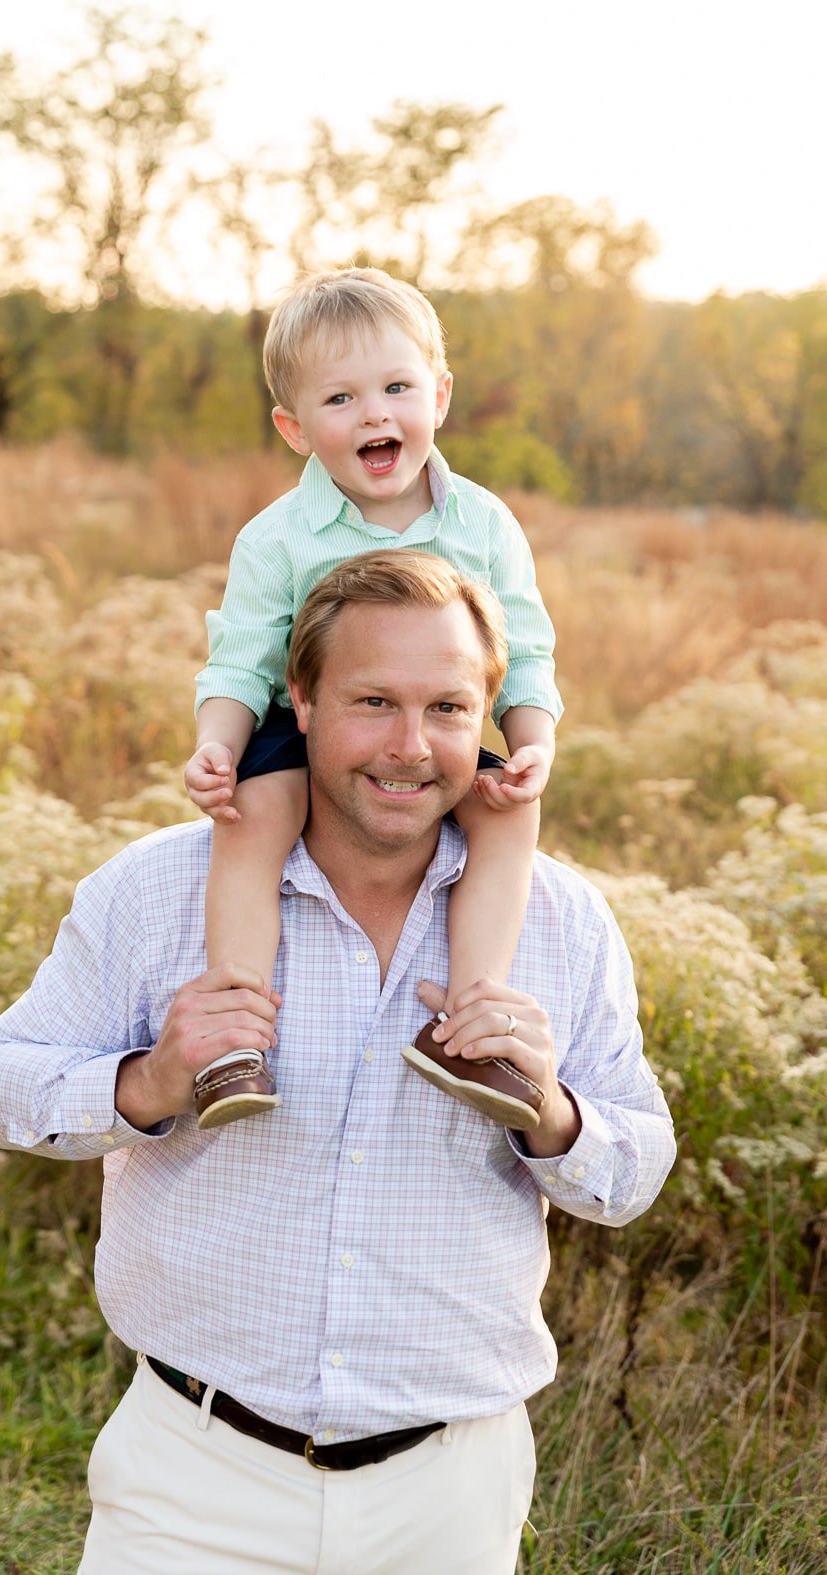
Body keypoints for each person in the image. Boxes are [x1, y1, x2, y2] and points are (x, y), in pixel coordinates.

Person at [0, 549, 675, 1575]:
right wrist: (150, 1083)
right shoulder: (160, 889)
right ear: (298, 701)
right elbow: (6, 1087)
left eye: (447, 706)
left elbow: (636, 1171)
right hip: (193, 1480)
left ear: (488, 712)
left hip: (449, 1500)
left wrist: (556, 1111)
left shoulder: (563, 923)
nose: (410, 745)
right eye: (373, 701)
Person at [183, 266, 563, 1129]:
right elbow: (240, 660)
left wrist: (531, 742)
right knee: (253, 816)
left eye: (397, 387)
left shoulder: (484, 524)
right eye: (342, 398)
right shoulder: (277, 537)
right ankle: (234, 1039)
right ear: (294, 426)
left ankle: (476, 1025)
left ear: (440, 393)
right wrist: (218, 744)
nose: (376, 414)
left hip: (443, 731)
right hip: (302, 733)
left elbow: (529, 648)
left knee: (509, 818)